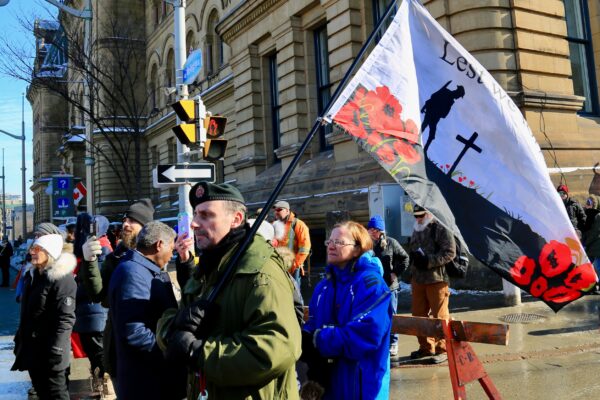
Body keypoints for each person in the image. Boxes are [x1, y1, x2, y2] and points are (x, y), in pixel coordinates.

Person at [158, 182, 301, 400]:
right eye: (196, 214)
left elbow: (276, 348)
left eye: (206, 215)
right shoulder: (209, 267)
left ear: (236, 220)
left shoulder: (261, 273)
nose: (194, 223)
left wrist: (198, 352)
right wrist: (177, 324)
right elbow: (171, 328)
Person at [301, 221, 392, 399]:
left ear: (358, 249)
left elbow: (365, 334)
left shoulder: (371, 284)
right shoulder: (324, 286)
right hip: (329, 382)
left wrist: (318, 338)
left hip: (361, 384)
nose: (331, 246)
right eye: (330, 241)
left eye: (340, 242)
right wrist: (304, 336)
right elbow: (313, 322)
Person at [79, 198, 155, 383]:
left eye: (132, 221)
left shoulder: (157, 253)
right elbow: (99, 295)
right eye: (124, 220)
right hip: (117, 342)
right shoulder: (116, 257)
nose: (125, 225)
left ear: (145, 226)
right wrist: (89, 263)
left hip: (149, 342)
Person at [108, 221, 186, 399]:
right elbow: (135, 332)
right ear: (159, 245)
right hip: (146, 382)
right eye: (171, 249)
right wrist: (172, 350)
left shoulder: (143, 269)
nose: (170, 256)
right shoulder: (133, 273)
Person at [11, 234, 77, 400]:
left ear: (50, 253)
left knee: (56, 394)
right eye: (32, 248)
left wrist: (57, 349)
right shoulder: (33, 276)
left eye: (37, 249)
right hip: (33, 350)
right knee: (42, 393)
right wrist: (20, 339)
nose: (32, 252)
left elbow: (65, 319)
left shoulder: (62, 279)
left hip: (51, 352)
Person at [407, 205, 455, 363]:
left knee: (439, 316)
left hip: (436, 280)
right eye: (416, 216)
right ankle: (426, 348)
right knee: (418, 315)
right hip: (418, 279)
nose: (418, 219)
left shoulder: (440, 227)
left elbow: (450, 252)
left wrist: (429, 261)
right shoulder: (417, 229)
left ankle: (443, 349)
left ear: (428, 214)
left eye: (421, 216)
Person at [73, 213, 110, 392]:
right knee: (96, 355)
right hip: (90, 314)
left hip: (95, 314)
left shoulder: (99, 248)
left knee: (99, 356)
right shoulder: (95, 247)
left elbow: (94, 281)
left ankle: (105, 389)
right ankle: (101, 386)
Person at [367, 215, 409, 357]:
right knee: (375, 315)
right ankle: (378, 341)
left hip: (389, 287)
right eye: (370, 229)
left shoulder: (391, 243)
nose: (372, 232)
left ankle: (393, 342)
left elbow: (405, 258)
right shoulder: (366, 245)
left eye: (375, 230)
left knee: (391, 315)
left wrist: (395, 273)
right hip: (373, 287)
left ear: (381, 231)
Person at [272, 199, 311, 287]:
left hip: (293, 270)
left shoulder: (299, 224)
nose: (276, 212)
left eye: (279, 210)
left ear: (287, 211)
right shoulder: (274, 224)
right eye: (275, 210)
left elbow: (305, 248)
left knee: (294, 297)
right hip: (278, 267)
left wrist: (294, 265)